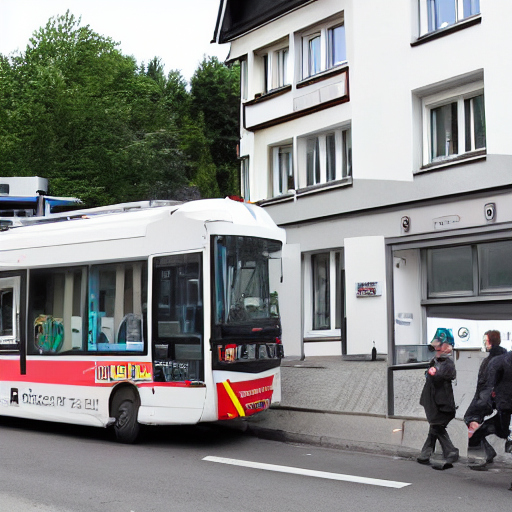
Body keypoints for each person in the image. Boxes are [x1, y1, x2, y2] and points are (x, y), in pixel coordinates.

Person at [464, 330, 507, 469]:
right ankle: (487, 453)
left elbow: (489, 383)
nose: (484, 342)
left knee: (471, 419)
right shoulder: (498, 356)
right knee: (474, 422)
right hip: (488, 397)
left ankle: (482, 456)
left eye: (485, 340)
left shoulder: (495, 359)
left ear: (491, 341)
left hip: (487, 398)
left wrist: (483, 402)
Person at [417, 328, 459, 470]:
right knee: (435, 427)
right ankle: (426, 454)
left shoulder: (447, 363)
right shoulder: (435, 361)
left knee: (436, 426)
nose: (436, 348)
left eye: (439, 345)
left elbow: (446, 376)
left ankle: (449, 451)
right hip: (432, 400)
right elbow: (430, 376)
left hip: (441, 402)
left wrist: (434, 373)